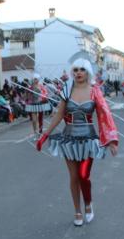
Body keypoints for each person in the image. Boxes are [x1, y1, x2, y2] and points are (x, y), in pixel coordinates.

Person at [36, 59, 118, 226]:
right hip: (69, 139)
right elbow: (59, 115)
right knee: (73, 177)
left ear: (87, 72)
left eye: (82, 69)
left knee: (83, 175)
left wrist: (111, 140)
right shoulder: (67, 90)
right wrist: (45, 135)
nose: (78, 73)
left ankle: (88, 203)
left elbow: (105, 115)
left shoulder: (95, 92)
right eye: (75, 70)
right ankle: (77, 211)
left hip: (88, 139)